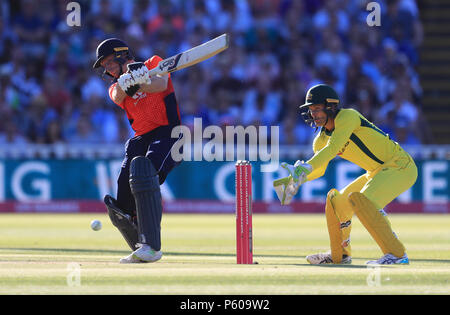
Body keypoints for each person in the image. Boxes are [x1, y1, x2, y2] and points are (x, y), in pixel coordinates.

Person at [273, 84, 417, 265]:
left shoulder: (348, 116)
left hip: (400, 165)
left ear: (331, 107)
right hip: (376, 172)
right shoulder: (320, 139)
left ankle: (396, 254)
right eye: (311, 110)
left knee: (363, 200)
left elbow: (333, 148)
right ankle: (340, 255)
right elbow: (320, 169)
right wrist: (295, 180)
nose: (313, 114)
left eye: (317, 109)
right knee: (337, 202)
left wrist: (305, 167)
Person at [93, 38, 182, 264]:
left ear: (122, 56)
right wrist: (126, 81)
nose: (108, 69)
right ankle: (141, 243)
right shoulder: (115, 85)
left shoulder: (154, 63)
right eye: (105, 67)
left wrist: (142, 79)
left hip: (169, 133)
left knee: (145, 172)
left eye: (109, 64)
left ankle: (151, 247)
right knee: (123, 196)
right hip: (140, 138)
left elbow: (161, 85)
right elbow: (117, 96)